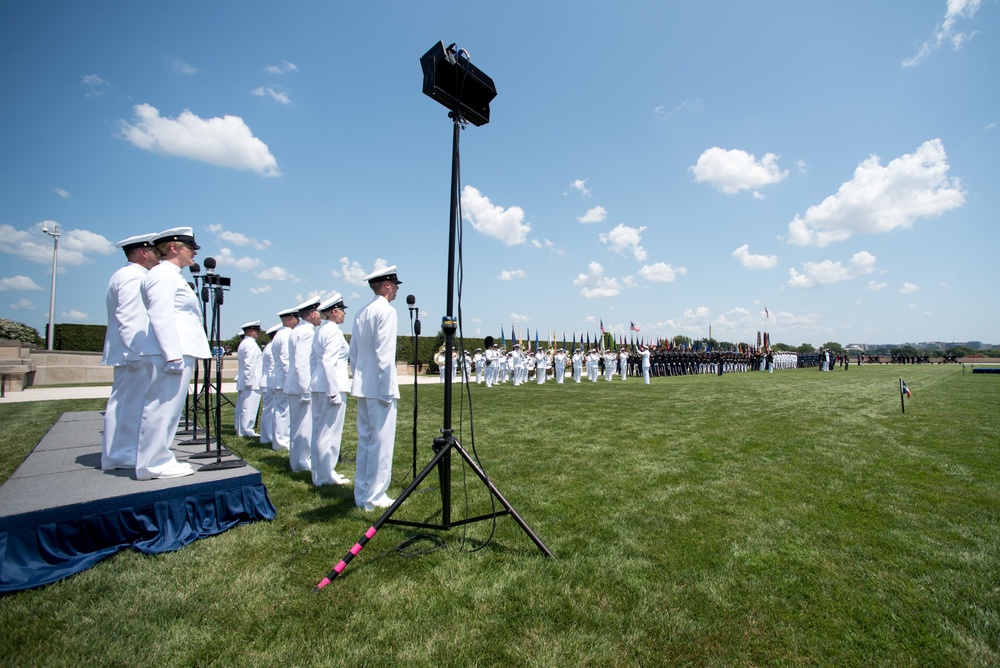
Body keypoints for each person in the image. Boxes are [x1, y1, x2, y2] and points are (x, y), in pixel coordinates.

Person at [135, 227, 211, 480]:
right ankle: (152, 463)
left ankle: (160, 458)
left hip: (176, 349)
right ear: (173, 248)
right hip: (170, 351)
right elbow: (160, 315)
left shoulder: (171, 275)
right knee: (161, 408)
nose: (194, 254)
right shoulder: (162, 275)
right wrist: (172, 355)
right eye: (191, 249)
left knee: (169, 410)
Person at [99, 232, 159, 470]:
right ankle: (122, 452)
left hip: (129, 352)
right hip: (133, 353)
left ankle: (120, 450)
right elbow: (132, 318)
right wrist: (136, 352)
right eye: (155, 251)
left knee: (126, 402)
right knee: (130, 404)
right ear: (143, 252)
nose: (159, 256)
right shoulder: (135, 277)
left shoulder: (125, 274)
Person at [349, 265, 402, 511]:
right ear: (387, 285)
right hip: (379, 388)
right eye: (396, 285)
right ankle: (375, 495)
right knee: (380, 444)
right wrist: (386, 389)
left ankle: (362, 492)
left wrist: (359, 379)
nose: (398, 290)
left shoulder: (361, 312)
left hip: (363, 385)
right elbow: (384, 354)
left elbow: (354, 354)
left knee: (366, 442)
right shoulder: (387, 311)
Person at [309, 293, 352, 486]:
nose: (344, 315)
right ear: (334, 312)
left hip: (320, 384)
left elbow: (315, 360)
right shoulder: (333, 331)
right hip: (331, 385)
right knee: (330, 433)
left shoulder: (320, 330)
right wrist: (333, 390)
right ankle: (325, 475)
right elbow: (329, 362)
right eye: (342, 311)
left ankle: (321, 473)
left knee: (319, 431)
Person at [284, 297, 321, 472]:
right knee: (303, 428)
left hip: (295, 385)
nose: (321, 315)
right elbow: (302, 363)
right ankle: (300, 463)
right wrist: (306, 389)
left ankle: (298, 460)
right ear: (312, 314)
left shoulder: (297, 330)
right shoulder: (307, 332)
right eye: (319, 312)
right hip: (301, 387)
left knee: (298, 426)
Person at [268, 307, 300, 451]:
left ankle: (279, 440)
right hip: (284, 379)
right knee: (283, 412)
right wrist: (291, 380)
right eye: (296, 318)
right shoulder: (287, 334)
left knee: (281, 410)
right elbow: (287, 360)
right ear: (290, 319)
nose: (298, 321)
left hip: (279, 378)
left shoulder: (279, 334)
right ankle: (282, 442)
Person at [234, 320, 263, 437]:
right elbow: (249, 364)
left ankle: (240, 428)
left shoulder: (244, 343)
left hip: (245, 379)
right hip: (251, 381)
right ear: (251, 331)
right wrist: (249, 381)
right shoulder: (251, 344)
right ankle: (247, 430)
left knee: (242, 407)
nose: (258, 334)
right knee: (249, 407)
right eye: (256, 331)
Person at [258, 323, 281, 445]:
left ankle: (267, 436)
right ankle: (267, 437)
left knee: (269, 410)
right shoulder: (272, 348)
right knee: (269, 411)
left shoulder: (269, 347)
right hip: (269, 382)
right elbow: (273, 368)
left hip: (267, 381)